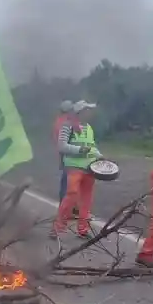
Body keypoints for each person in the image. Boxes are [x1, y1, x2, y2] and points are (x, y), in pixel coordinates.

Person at [52, 100, 101, 238]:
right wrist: (80, 150)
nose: (90, 113)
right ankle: (58, 227)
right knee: (71, 196)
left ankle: (83, 230)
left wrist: (100, 157)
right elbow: (61, 146)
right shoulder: (67, 126)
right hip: (74, 167)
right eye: (87, 110)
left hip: (90, 168)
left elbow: (92, 146)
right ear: (80, 112)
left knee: (86, 200)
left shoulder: (89, 127)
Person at [53, 100, 78, 202]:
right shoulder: (65, 122)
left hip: (62, 153)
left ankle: (64, 202)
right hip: (66, 153)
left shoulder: (59, 120)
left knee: (66, 178)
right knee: (67, 180)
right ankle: (64, 203)